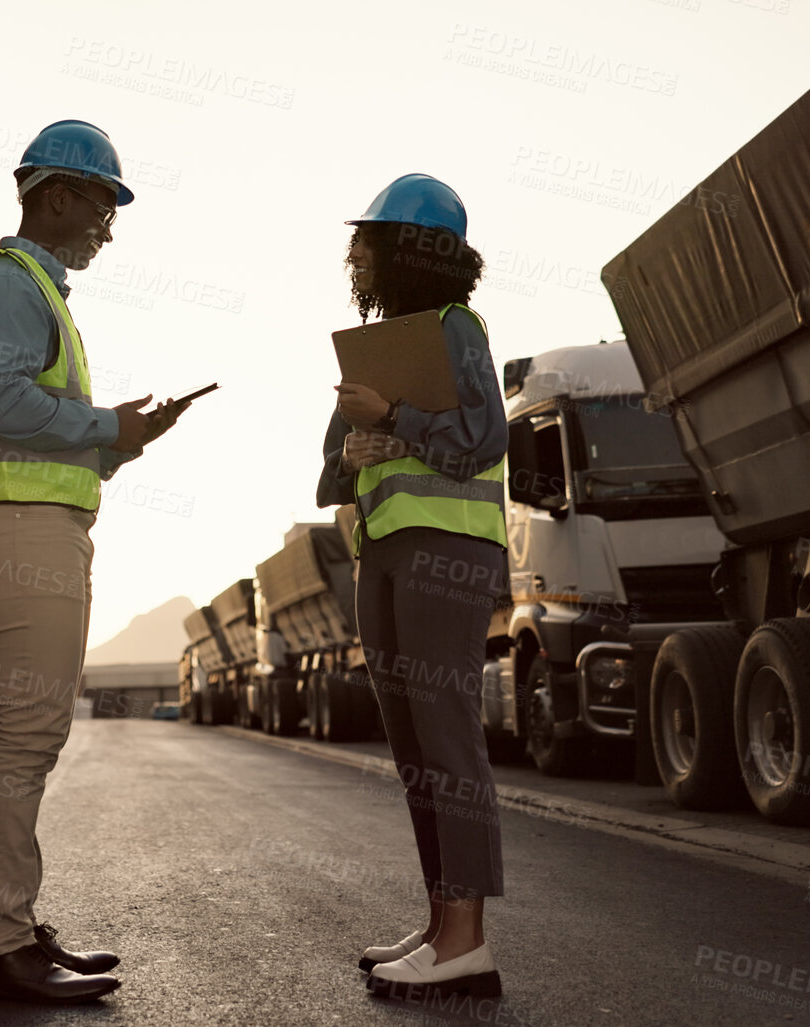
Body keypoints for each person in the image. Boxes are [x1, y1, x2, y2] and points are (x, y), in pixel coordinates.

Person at [0, 119, 187, 1004]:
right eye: (100, 202)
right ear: (54, 194)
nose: (108, 224)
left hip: (33, 523)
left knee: (30, 731)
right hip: (15, 531)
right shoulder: (6, 283)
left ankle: (7, 929)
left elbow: (43, 433)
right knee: (25, 733)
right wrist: (100, 425)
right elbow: (3, 404)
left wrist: (126, 437)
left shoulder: (39, 294)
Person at [316, 174, 508, 1000]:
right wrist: (350, 453)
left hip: (448, 551)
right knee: (413, 752)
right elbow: (330, 473)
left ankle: (466, 939)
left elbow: (482, 437)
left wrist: (393, 418)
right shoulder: (375, 346)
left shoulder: (455, 329)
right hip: (384, 553)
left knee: (447, 740)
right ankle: (439, 924)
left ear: (410, 250)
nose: (353, 253)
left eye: (368, 239)